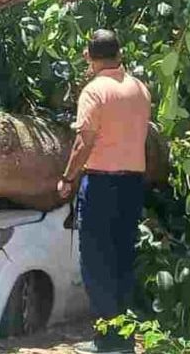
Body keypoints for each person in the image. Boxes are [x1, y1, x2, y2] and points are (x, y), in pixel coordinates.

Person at [57, 30, 152, 354]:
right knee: (121, 259)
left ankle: (108, 340)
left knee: (96, 262)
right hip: (132, 185)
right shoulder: (139, 88)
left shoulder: (94, 91)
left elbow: (84, 141)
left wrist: (68, 178)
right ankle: (122, 337)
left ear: (88, 56)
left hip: (100, 183)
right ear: (120, 52)